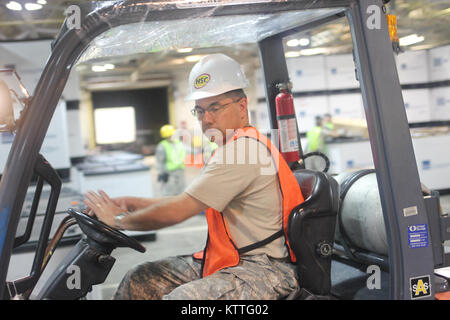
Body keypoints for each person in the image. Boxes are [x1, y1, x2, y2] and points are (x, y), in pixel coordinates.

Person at [83, 53, 304, 300]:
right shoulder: (232, 146)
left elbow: (180, 210)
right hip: (233, 261)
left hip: (264, 271)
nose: (206, 119)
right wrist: (132, 203)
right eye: (199, 111)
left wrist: (120, 220)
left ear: (242, 106)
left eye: (215, 108)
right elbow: (185, 199)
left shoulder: (242, 150)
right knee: (141, 279)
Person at [155, 124, 186, 196]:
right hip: (169, 173)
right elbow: (159, 161)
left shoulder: (178, 143)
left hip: (180, 171)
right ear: (166, 136)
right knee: (169, 193)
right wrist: (161, 173)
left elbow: (184, 152)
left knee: (181, 192)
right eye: (170, 136)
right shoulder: (162, 146)